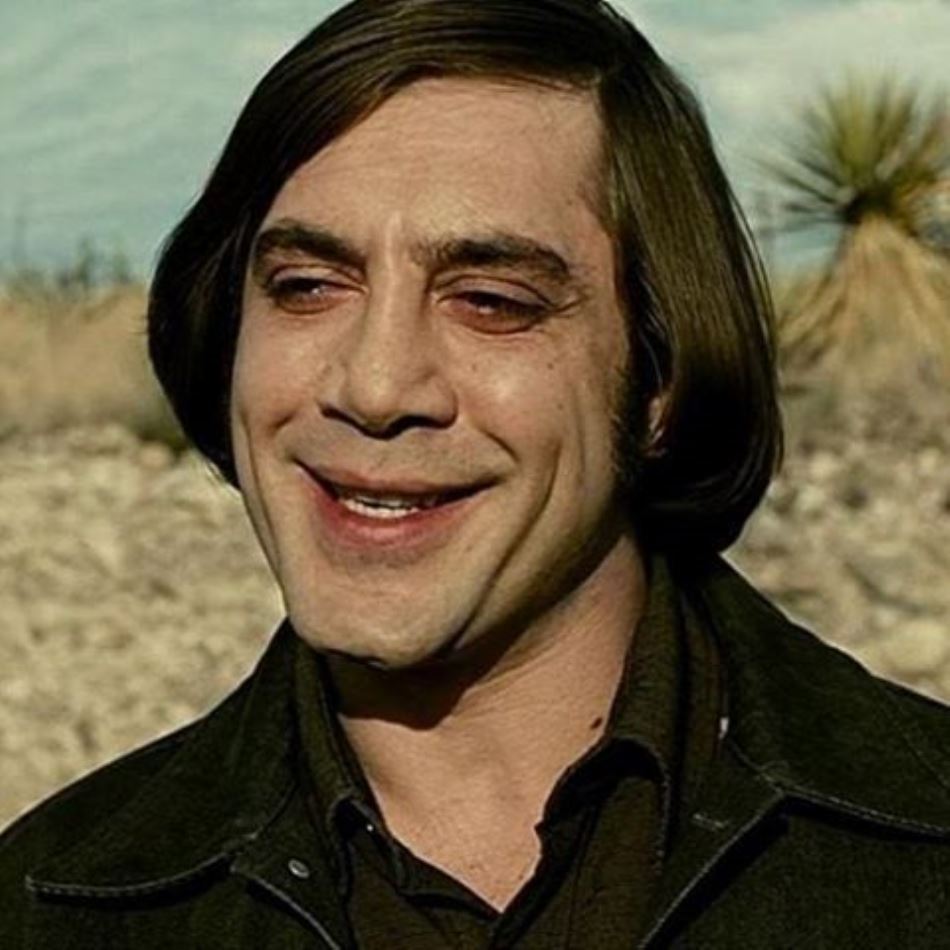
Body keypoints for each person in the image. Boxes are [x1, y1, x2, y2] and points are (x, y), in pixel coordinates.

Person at [2, 0, 949, 946]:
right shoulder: (50, 909)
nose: (375, 387)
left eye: (491, 301)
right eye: (308, 287)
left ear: (659, 380)